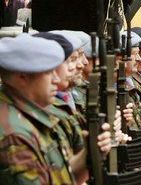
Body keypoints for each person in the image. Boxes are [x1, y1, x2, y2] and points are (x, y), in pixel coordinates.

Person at [0, 34, 113, 184]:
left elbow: (58, 176)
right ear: (23, 77)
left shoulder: (34, 116)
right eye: (48, 72)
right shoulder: (13, 136)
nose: (56, 79)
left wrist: (88, 156)